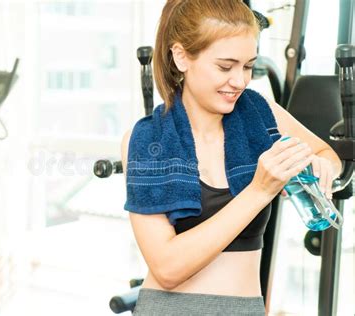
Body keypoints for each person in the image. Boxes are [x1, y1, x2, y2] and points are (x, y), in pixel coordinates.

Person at [121, 0, 342, 314]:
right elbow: (168, 268)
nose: (240, 81)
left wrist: (321, 166)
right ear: (181, 56)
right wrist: (259, 190)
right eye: (225, 66)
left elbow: (326, 154)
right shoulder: (145, 139)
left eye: (248, 66)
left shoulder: (260, 114)